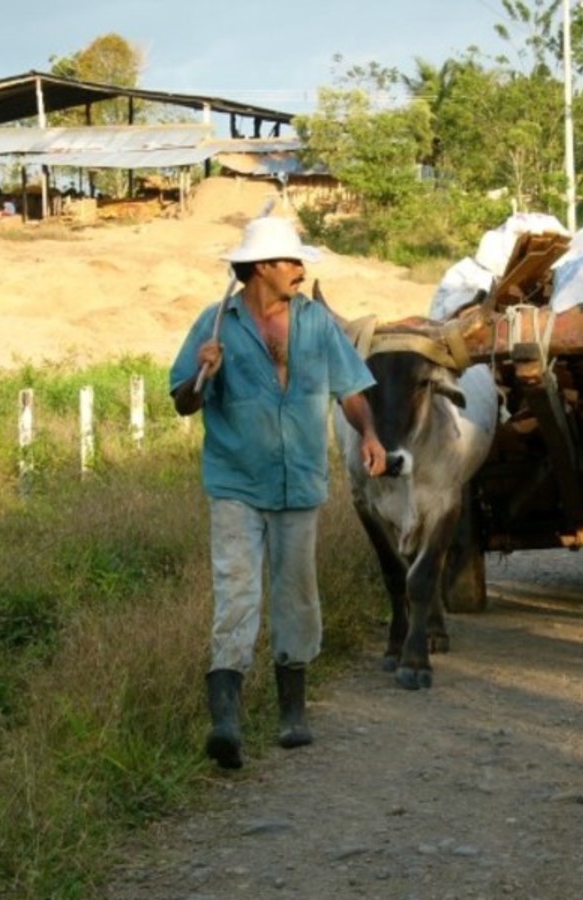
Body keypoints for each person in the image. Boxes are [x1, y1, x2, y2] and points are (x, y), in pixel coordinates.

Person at [169, 214, 387, 770]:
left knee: (297, 596)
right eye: (292, 261)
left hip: (300, 483)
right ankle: (227, 723)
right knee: (236, 595)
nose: (299, 271)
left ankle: (294, 715)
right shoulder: (214, 325)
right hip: (236, 484)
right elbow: (183, 401)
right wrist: (203, 373)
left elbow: (351, 387)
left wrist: (369, 433)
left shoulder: (315, 323)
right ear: (264, 267)